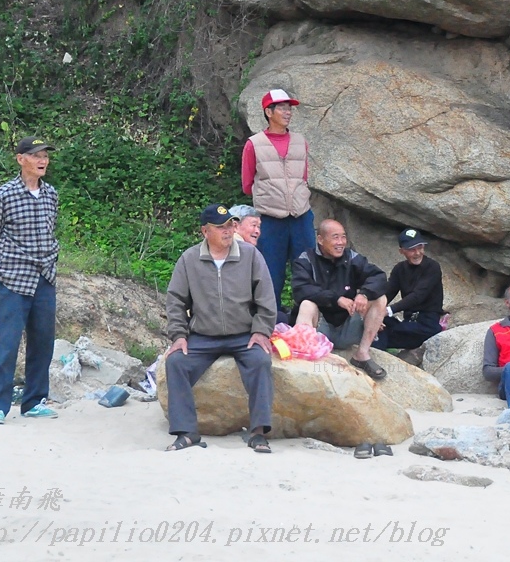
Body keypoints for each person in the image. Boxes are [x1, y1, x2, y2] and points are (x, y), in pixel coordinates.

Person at [164, 204, 277, 453]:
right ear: (205, 231)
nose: (228, 230)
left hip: (243, 335)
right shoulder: (189, 259)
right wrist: (179, 336)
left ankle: (258, 433)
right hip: (203, 336)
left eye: (230, 225)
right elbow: (175, 301)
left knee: (260, 361)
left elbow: (266, 298)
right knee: (175, 363)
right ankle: (187, 432)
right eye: (221, 226)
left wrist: (261, 331)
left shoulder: (250, 255)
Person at [0, 136, 61, 425]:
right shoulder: (4, 195)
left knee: (42, 342)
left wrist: (51, 261)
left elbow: (51, 231)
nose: (42, 160)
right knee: (7, 342)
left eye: (45, 156)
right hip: (14, 278)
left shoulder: (51, 194)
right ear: (20, 159)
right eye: (36, 155)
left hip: (44, 277)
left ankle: (34, 401)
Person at [241, 89, 315, 314]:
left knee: (308, 268)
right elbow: (247, 184)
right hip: (270, 219)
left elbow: (303, 177)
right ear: (268, 112)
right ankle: (269, 319)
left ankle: (304, 318)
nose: (288, 112)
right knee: (270, 271)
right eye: (282, 107)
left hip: (301, 215)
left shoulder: (300, 141)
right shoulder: (254, 144)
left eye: (289, 107)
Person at [291, 219, 389, 380]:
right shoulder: (306, 259)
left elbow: (378, 277)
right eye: (335, 237)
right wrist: (336, 299)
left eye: (343, 237)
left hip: (347, 325)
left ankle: (362, 355)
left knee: (380, 298)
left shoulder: (352, 257)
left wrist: (364, 294)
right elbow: (301, 290)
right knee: (307, 304)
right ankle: (304, 359)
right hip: (320, 328)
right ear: (320, 240)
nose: (341, 242)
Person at [374, 228, 444, 351]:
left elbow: (418, 296)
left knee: (381, 331)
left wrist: (387, 311)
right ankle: (376, 343)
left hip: (426, 323)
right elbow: (387, 293)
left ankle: (376, 347)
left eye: (420, 247)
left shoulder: (432, 267)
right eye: (412, 249)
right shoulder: (399, 269)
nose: (417, 253)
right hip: (409, 322)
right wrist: (375, 313)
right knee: (377, 323)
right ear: (402, 251)